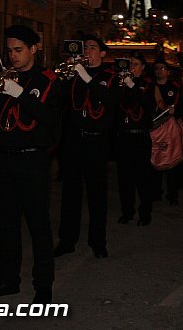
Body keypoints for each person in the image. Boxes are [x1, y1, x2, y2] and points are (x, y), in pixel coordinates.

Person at [0, 25, 61, 304]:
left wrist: (19, 92)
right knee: (6, 225)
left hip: (33, 160)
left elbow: (51, 118)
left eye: (19, 50)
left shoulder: (48, 80)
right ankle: (8, 280)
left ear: (33, 49)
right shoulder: (2, 78)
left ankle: (43, 286)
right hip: (3, 160)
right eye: (9, 50)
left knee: (38, 226)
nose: (13, 55)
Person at [55, 34, 118, 259]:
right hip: (73, 140)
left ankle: (98, 241)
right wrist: (67, 78)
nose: (88, 51)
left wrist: (87, 78)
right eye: (85, 48)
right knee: (70, 192)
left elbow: (110, 101)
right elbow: (61, 101)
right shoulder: (74, 75)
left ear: (102, 53)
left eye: (92, 47)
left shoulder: (110, 77)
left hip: (97, 141)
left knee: (97, 193)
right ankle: (66, 240)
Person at [115, 51, 153, 226]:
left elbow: (147, 104)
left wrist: (131, 85)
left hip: (140, 137)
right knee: (124, 178)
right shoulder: (121, 84)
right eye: (130, 64)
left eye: (136, 64)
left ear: (143, 67)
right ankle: (127, 212)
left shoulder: (148, 85)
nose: (132, 68)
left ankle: (145, 213)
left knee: (143, 178)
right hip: (124, 137)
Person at [147, 58, 182, 204]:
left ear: (168, 72)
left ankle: (173, 195)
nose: (159, 71)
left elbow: (182, 106)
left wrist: (176, 110)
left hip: (170, 128)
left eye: (162, 68)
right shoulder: (150, 87)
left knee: (172, 160)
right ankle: (156, 192)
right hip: (154, 128)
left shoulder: (175, 87)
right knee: (155, 159)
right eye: (156, 68)